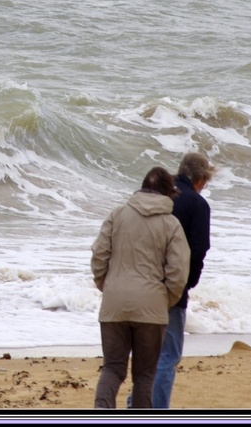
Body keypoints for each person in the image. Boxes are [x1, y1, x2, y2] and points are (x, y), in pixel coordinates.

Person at [91, 166, 190, 408]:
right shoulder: (171, 224)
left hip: (115, 305)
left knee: (113, 369)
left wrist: (108, 286)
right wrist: (164, 300)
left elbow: (98, 257)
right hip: (152, 309)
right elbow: (178, 272)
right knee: (145, 376)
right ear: (169, 193)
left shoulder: (117, 215)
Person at [127, 152, 215, 409]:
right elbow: (199, 249)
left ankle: (136, 406)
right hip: (171, 288)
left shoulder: (157, 196)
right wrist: (190, 282)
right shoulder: (197, 205)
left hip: (139, 284)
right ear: (200, 179)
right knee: (168, 354)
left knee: (147, 356)